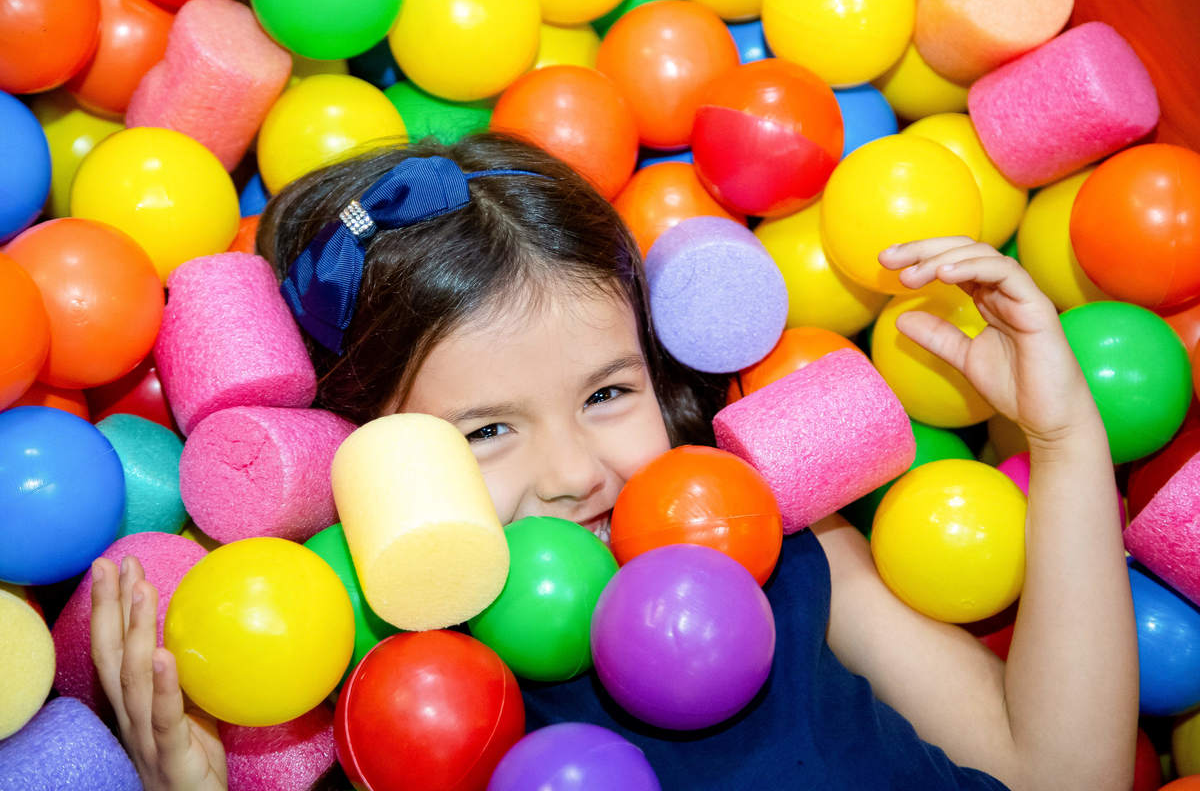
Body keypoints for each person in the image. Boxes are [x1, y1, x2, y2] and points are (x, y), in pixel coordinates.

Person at [89, 133, 1138, 791]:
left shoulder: (780, 546)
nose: (576, 471)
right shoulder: (390, 706)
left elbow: (1058, 770)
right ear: (360, 459)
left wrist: (1065, 438)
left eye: (607, 393)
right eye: (483, 432)